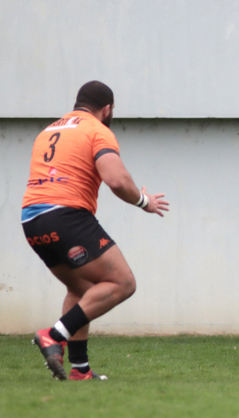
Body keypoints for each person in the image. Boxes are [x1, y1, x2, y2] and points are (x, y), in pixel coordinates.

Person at [24, 81, 169, 380]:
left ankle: (80, 370)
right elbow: (116, 180)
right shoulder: (96, 130)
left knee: (80, 290)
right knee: (123, 282)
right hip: (65, 215)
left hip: (32, 221)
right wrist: (144, 201)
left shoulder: (48, 131)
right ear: (107, 109)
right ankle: (54, 335)